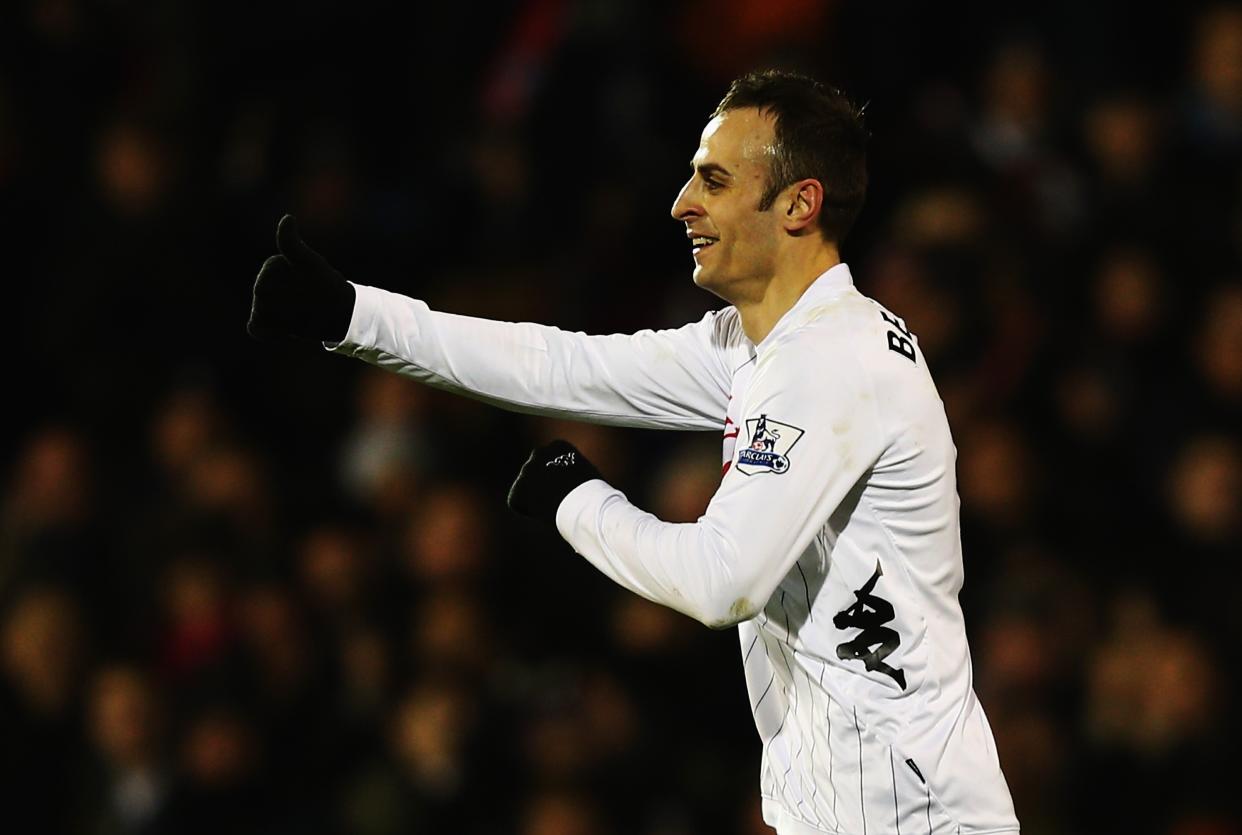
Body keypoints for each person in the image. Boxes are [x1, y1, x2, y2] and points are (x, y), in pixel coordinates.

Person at [249, 69, 1019, 835]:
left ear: (798, 203)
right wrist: (354, 315)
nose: (682, 203)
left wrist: (577, 499)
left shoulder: (835, 363)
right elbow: (560, 366)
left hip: (911, 817)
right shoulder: (762, 345)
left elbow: (723, 581)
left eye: (713, 180)